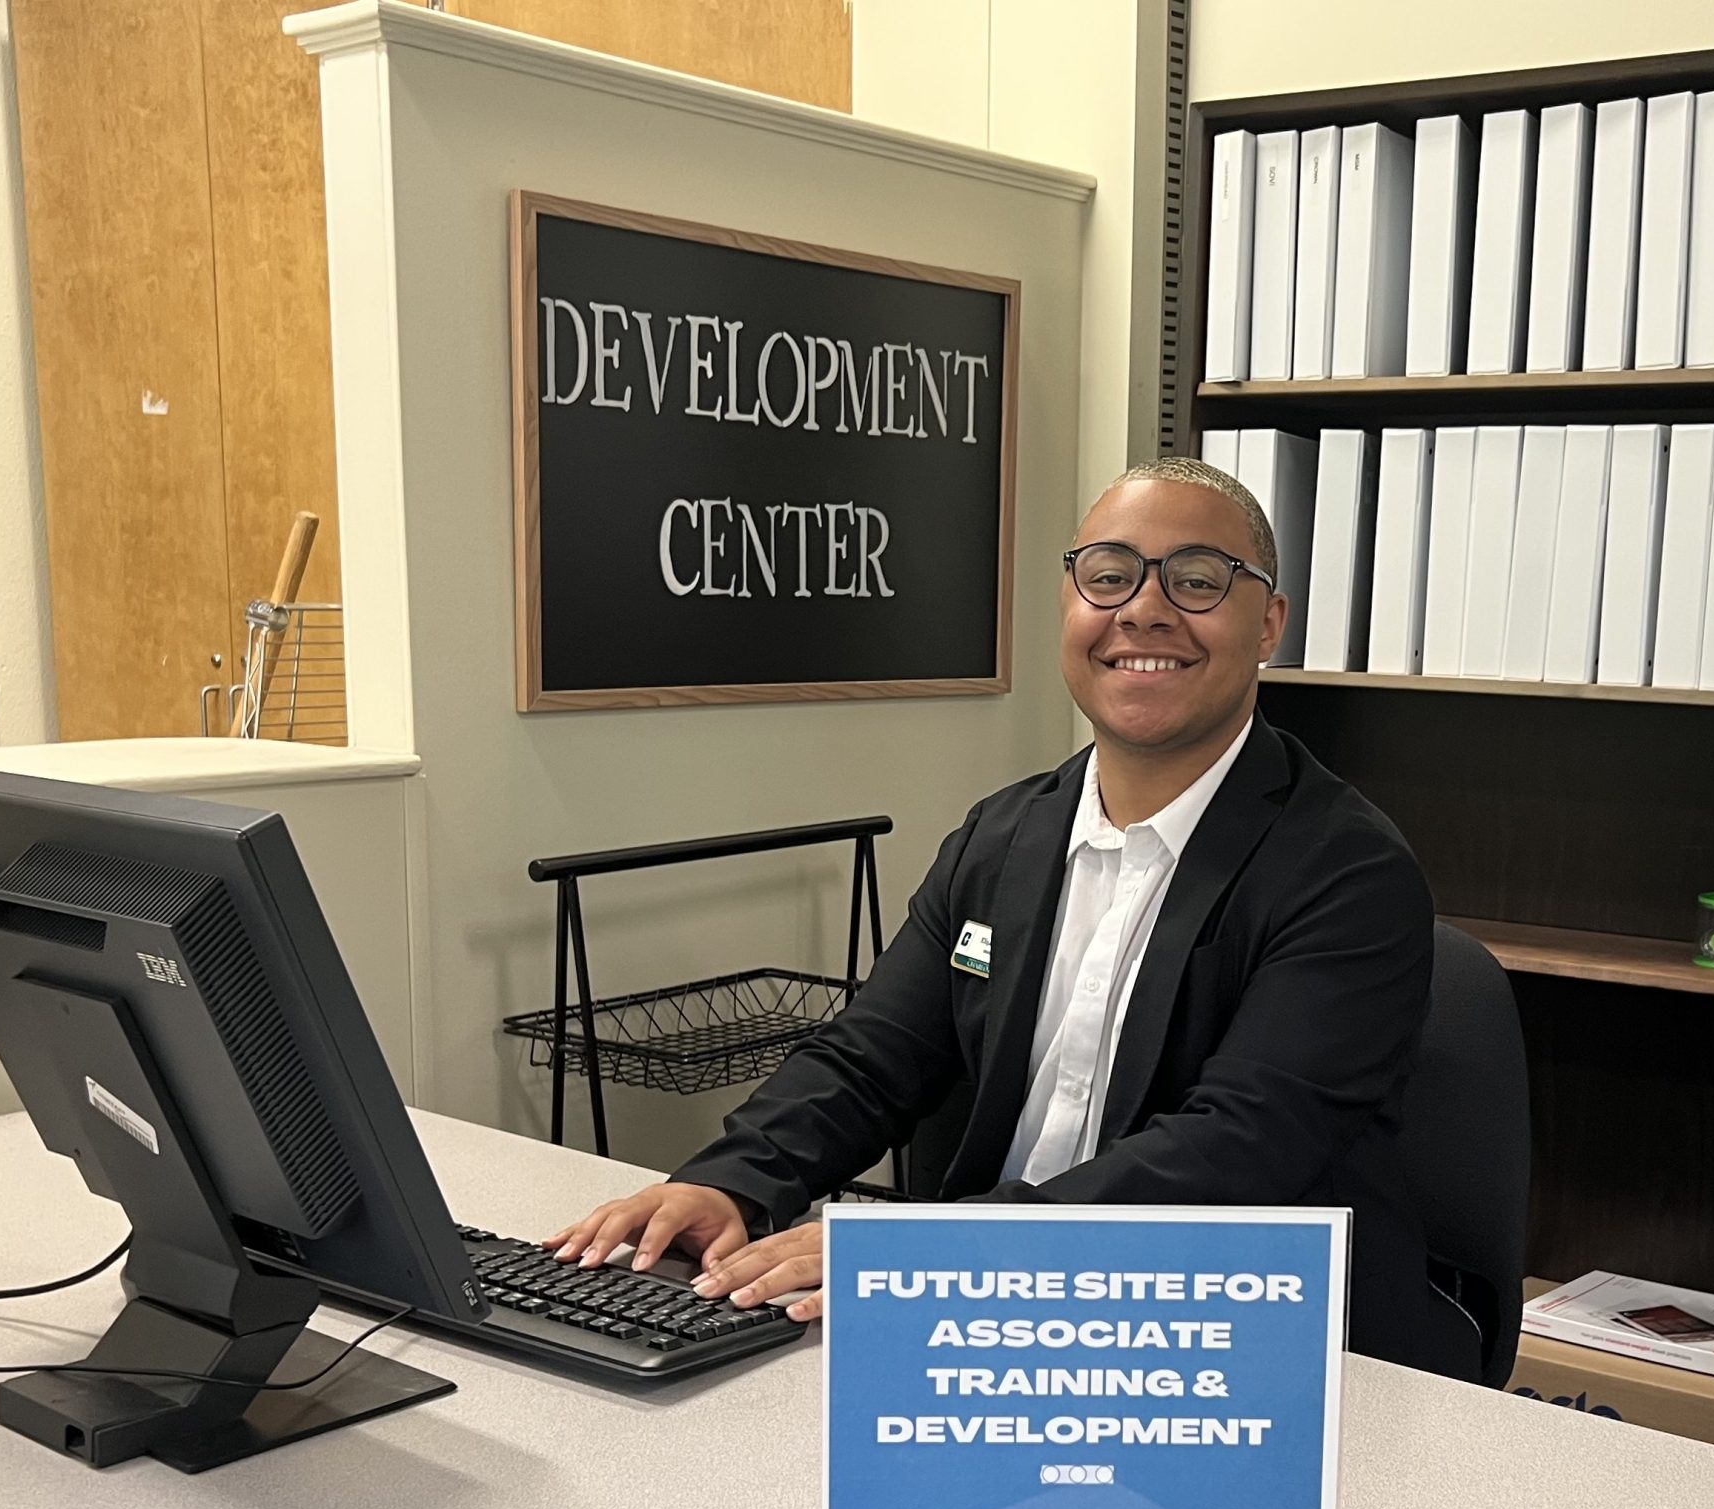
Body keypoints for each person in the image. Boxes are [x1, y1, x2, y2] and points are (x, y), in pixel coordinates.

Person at [547, 456, 1464, 1376]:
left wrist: (938, 1252)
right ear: (1070, 606)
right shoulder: (1003, 833)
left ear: (1268, 623)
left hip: (1244, 1344)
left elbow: (1241, 1149)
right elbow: (871, 1059)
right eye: (1109, 576)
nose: (1143, 610)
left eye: (1196, 580)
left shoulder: (1347, 869)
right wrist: (733, 1181)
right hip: (998, 1323)